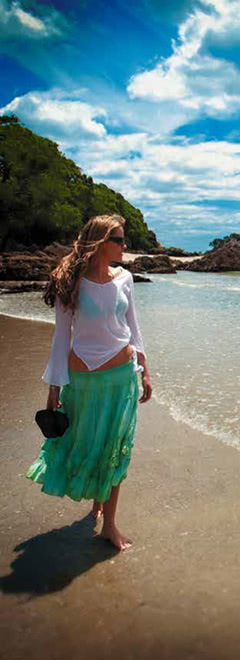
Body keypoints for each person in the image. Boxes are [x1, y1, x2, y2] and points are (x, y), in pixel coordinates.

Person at [26, 214, 152, 551]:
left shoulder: (125, 278)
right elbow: (60, 338)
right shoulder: (71, 281)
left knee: (115, 449)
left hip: (121, 377)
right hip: (82, 382)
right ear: (100, 242)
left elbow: (133, 326)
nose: (125, 246)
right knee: (85, 445)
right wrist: (53, 388)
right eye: (119, 240)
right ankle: (97, 502)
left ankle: (108, 524)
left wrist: (145, 368)